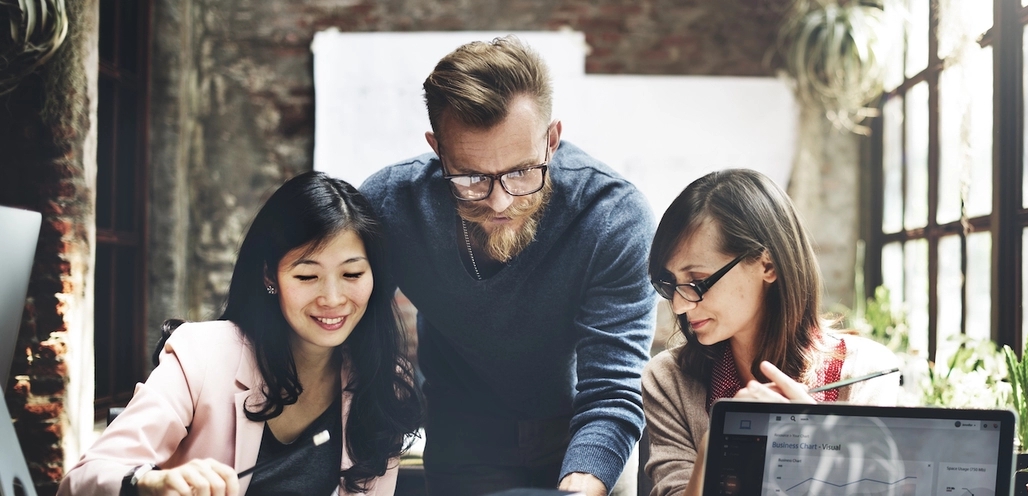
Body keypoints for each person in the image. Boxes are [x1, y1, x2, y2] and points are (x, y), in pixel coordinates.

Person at [358, 36, 656, 496]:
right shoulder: (392, 205)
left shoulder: (611, 217)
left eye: (521, 172)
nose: (500, 201)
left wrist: (584, 484)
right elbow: (348, 337)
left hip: (584, 431)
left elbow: (615, 390)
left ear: (552, 140)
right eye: (472, 177)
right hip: (463, 436)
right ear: (437, 149)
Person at [59, 172, 422, 496]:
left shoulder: (383, 382)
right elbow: (82, 480)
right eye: (307, 276)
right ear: (269, 277)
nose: (332, 298)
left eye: (353, 275)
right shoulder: (201, 356)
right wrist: (148, 484)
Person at [641, 168, 900, 496]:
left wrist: (817, 445)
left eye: (696, 281)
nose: (679, 306)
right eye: (671, 284)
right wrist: (718, 444)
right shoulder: (669, 380)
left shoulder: (865, 373)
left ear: (768, 265)